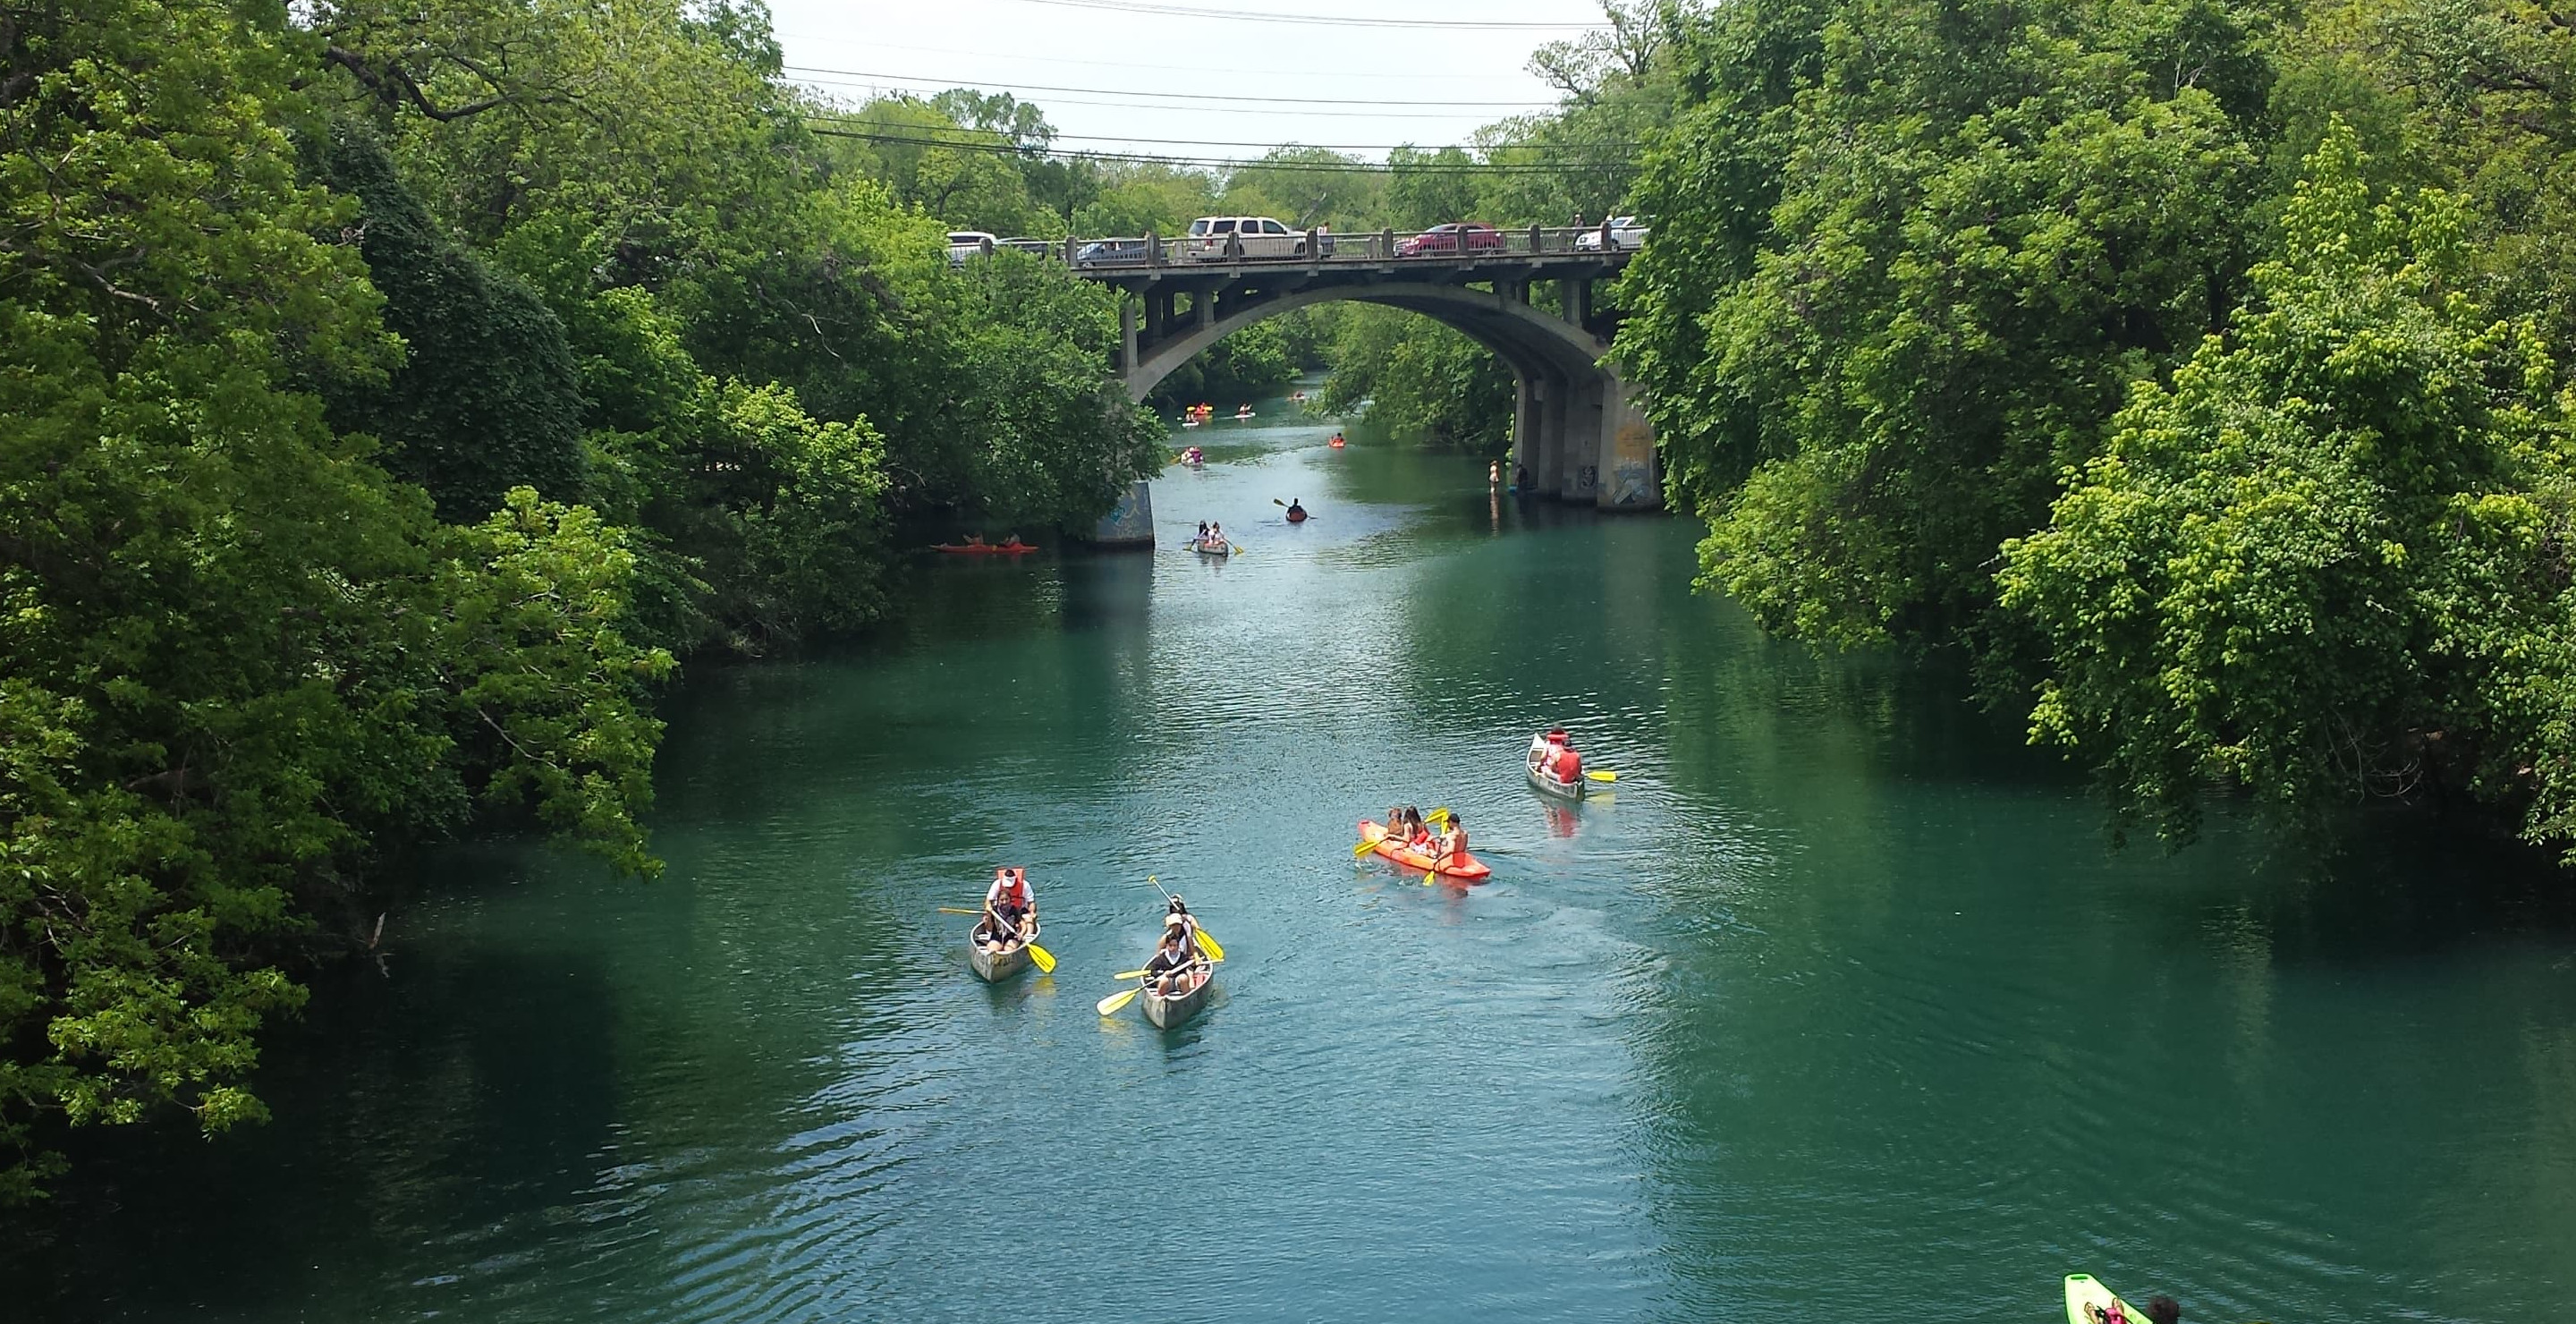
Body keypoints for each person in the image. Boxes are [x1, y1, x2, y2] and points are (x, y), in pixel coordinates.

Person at [979, 867, 1033, 948]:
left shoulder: (1024, 885)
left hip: (1020, 909)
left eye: (1006, 899)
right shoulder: (997, 884)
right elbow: (988, 900)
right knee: (986, 919)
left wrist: (1032, 912)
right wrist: (988, 909)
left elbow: (1031, 902)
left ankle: (1028, 937)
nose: (1004, 902)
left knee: (1029, 918)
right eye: (1002, 900)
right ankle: (989, 936)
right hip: (998, 915)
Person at [1141, 921, 1199, 997]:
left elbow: (1190, 967)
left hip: (1178, 983)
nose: (1173, 948)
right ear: (1167, 946)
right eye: (1170, 945)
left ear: (1178, 946)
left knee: (1183, 978)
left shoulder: (1183, 957)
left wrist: (1194, 963)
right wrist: (1163, 973)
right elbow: (1153, 971)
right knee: (1164, 980)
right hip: (1167, 983)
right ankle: (1160, 999)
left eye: (1175, 946)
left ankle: (1186, 997)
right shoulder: (1161, 958)